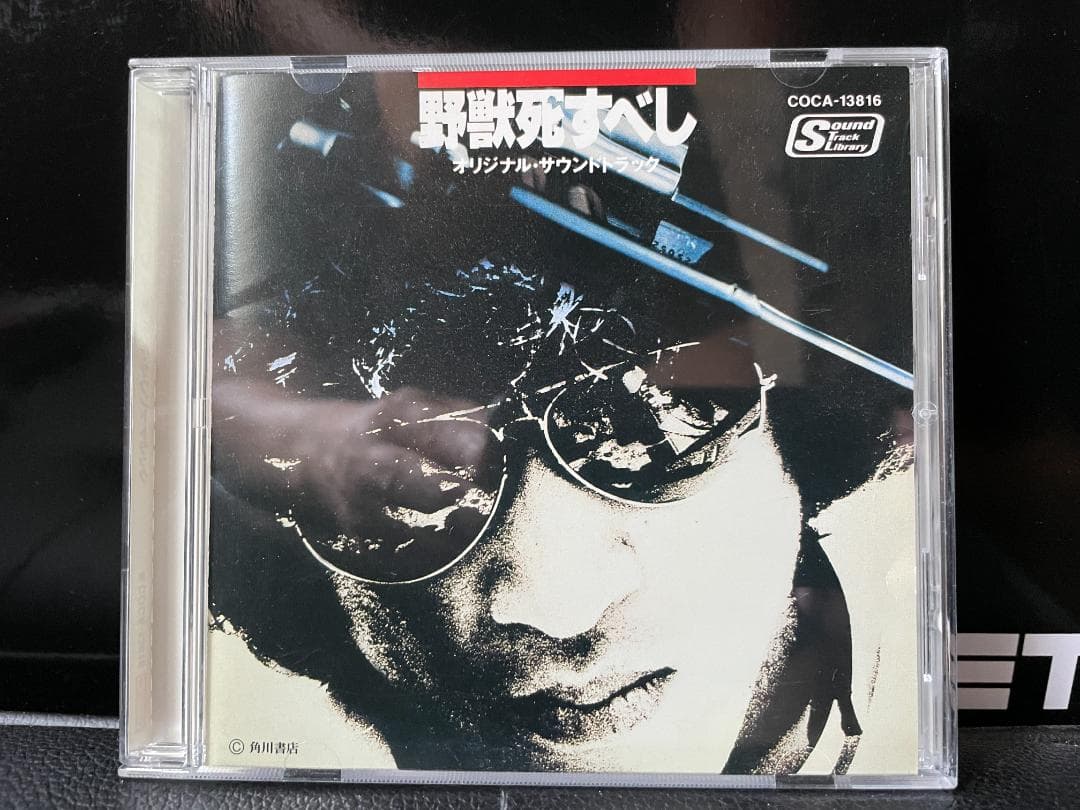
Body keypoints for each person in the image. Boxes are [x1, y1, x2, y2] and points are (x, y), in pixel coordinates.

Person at [207, 76, 913, 775]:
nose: (556, 603)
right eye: (414, 494)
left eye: (647, 430)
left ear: (796, 446)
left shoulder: (919, 668)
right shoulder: (252, 740)